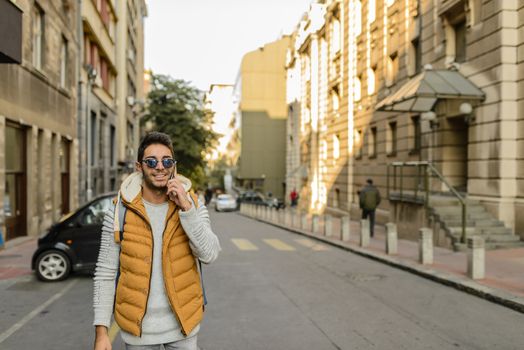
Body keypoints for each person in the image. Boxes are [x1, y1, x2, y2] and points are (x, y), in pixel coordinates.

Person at [93, 132, 221, 350]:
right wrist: (101, 332)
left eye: (167, 161)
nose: (160, 167)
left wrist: (187, 209)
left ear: (174, 166)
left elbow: (210, 254)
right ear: (139, 167)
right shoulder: (119, 210)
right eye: (151, 161)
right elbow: (105, 272)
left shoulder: (193, 204)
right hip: (138, 334)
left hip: (184, 328)